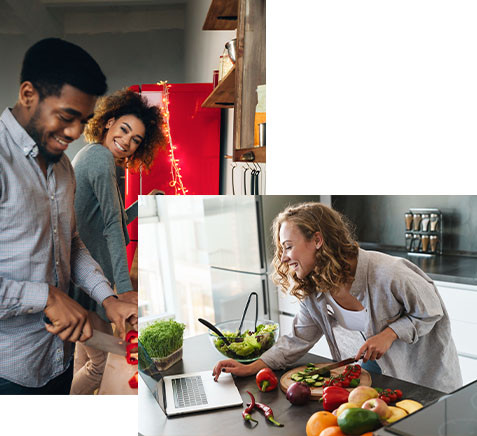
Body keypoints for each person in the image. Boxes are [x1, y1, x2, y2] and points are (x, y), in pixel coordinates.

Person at [0, 38, 138, 395]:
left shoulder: (62, 167)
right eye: (66, 117)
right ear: (28, 94)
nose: (76, 132)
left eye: (83, 120)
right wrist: (45, 297)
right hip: (9, 372)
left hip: (57, 360)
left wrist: (108, 299)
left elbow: (71, 244)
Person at [213, 202, 463, 393]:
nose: (284, 258)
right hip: (373, 386)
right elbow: (298, 339)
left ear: (318, 240)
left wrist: (390, 334)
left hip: (424, 386)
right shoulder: (314, 289)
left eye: (288, 246)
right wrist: (251, 367)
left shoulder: (389, 272)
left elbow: (431, 311)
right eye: (282, 249)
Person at [69, 89, 165, 394]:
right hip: (91, 282)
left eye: (136, 139)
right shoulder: (99, 158)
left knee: (83, 356)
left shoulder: (92, 156)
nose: (127, 141)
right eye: (124, 130)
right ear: (108, 122)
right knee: (98, 365)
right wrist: (123, 291)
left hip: (83, 279)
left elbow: (104, 220)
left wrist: (142, 205)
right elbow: (111, 226)